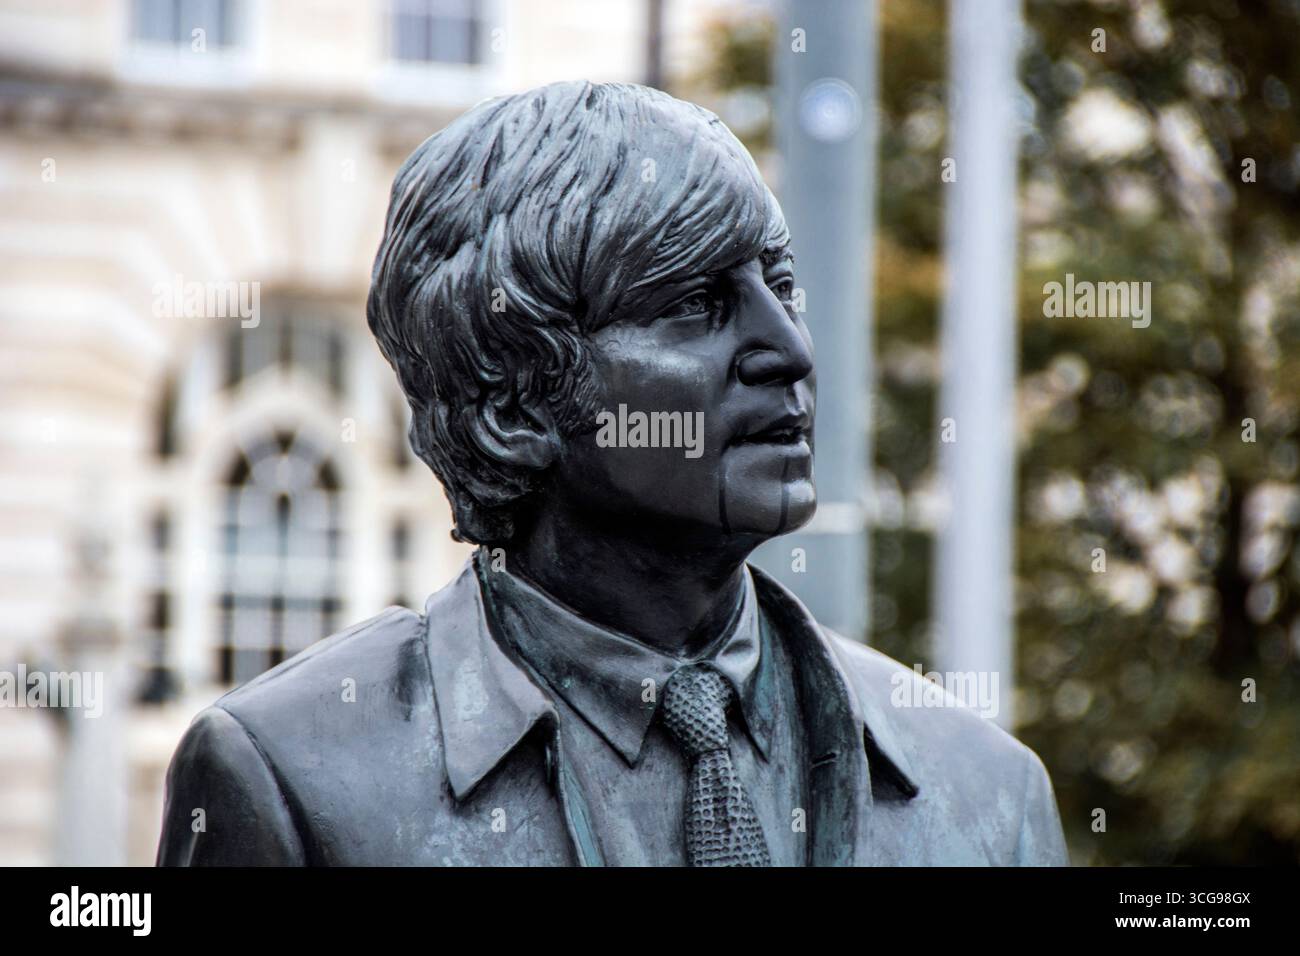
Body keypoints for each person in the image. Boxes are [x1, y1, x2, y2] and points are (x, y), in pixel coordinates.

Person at [157, 80, 1068, 866]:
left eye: (779, 287)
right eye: (692, 304)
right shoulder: (287, 780)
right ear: (512, 411)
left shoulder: (986, 791)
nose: (788, 350)